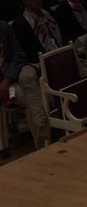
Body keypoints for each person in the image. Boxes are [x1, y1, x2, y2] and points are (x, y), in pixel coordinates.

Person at [0, 20, 51, 149]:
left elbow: (18, 54)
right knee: (29, 98)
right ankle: (42, 137)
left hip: (16, 68)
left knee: (28, 76)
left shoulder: (3, 26)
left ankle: (41, 131)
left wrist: (7, 79)